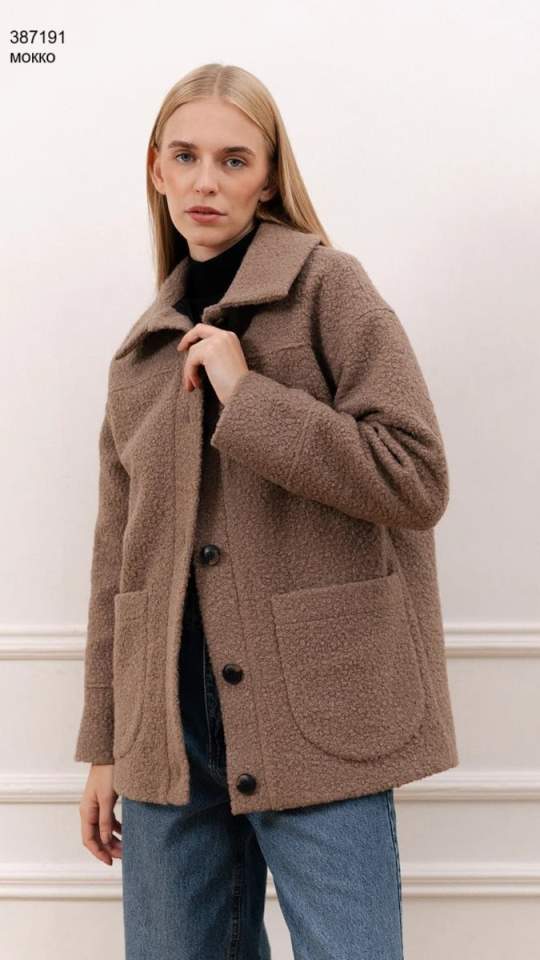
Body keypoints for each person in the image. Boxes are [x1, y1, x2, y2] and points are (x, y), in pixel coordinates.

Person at [75, 62, 459, 960]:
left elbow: (417, 478)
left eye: (234, 160)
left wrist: (249, 399)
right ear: (156, 169)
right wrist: (106, 745)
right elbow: (116, 566)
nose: (206, 182)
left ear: (269, 176)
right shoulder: (140, 356)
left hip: (321, 709)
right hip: (168, 735)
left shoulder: (329, 291)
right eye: (186, 156)